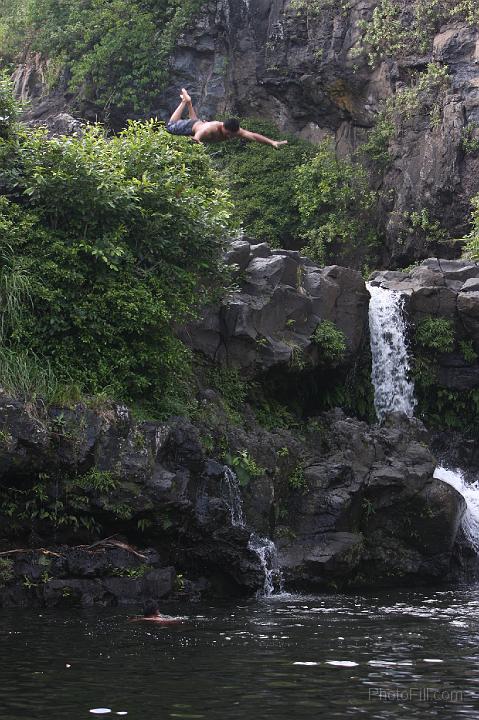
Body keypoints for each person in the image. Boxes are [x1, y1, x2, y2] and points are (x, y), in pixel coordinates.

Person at [166, 88, 288, 148]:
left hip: (197, 123)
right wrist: (196, 139)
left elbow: (254, 136)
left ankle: (188, 102)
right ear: (223, 126)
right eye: (228, 134)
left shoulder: (236, 132)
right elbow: (201, 132)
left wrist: (272, 142)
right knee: (170, 126)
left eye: (232, 135)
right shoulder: (211, 128)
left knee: (195, 121)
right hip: (193, 127)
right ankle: (184, 102)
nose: (230, 136)